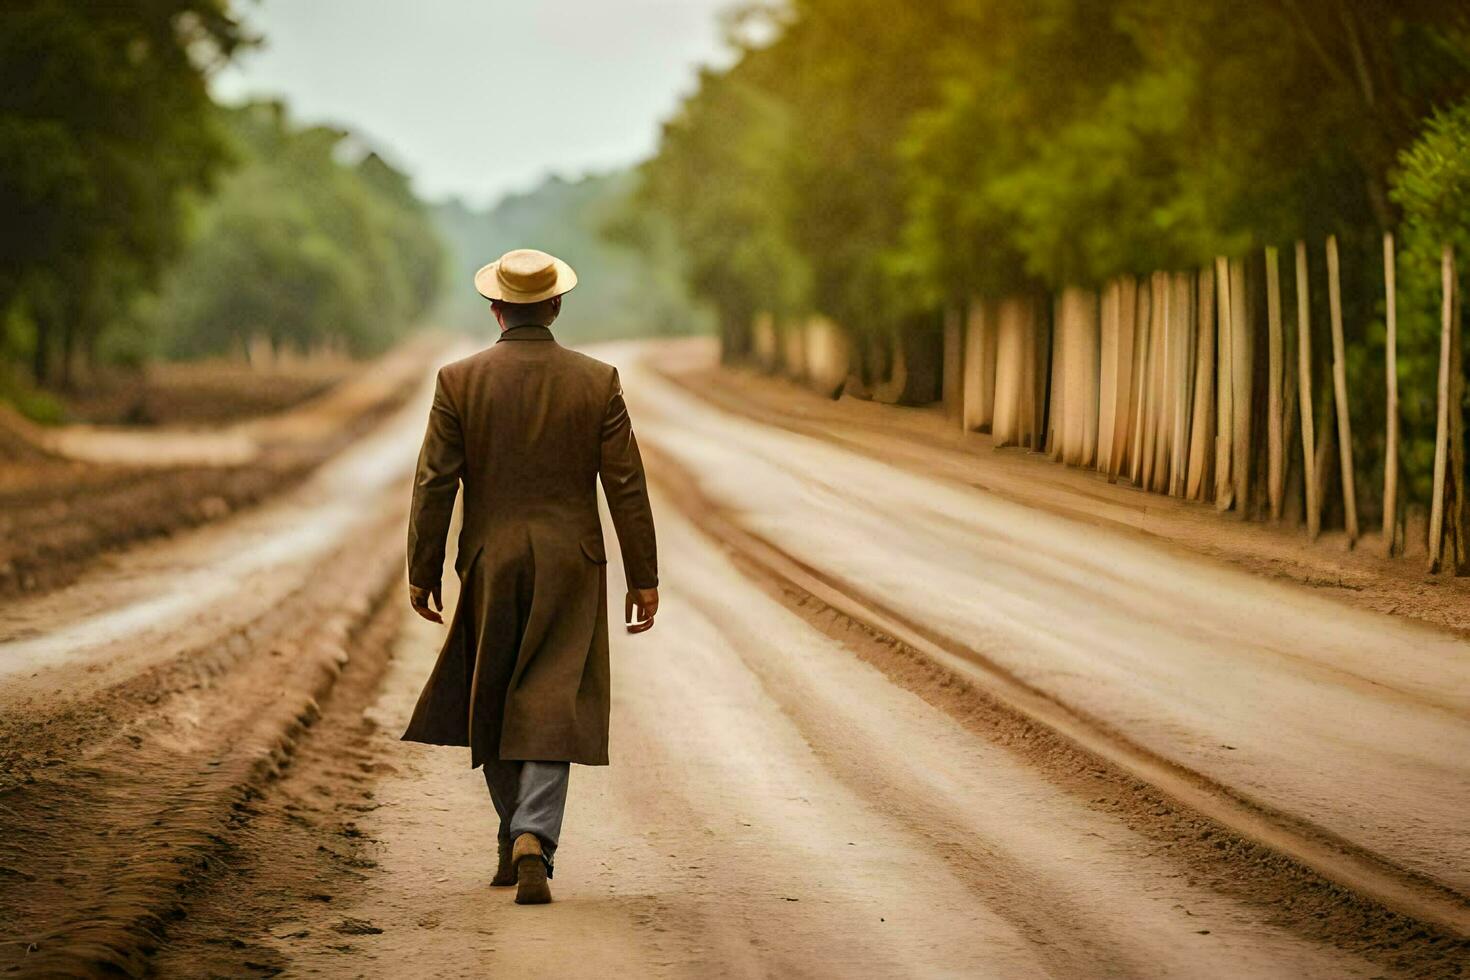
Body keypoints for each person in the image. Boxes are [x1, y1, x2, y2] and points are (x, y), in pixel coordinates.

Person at [400, 248, 659, 905]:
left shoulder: (459, 381)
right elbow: (625, 485)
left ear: (495, 308)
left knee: (492, 694)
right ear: (556, 305)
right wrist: (643, 575)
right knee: (551, 699)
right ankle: (532, 838)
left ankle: (515, 833)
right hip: (573, 563)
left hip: (491, 560)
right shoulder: (597, 381)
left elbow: (435, 482)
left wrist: (422, 569)